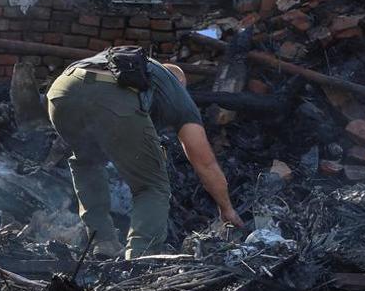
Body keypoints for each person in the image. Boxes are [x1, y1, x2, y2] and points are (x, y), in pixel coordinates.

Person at [46, 49, 243, 259]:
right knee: (152, 185)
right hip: (109, 96)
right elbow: (204, 162)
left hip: (61, 92)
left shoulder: (133, 67)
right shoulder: (177, 93)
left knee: (88, 164)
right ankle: (140, 256)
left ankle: (103, 241)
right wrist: (226, 208)